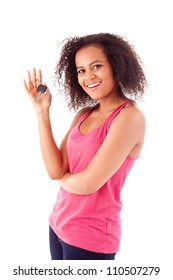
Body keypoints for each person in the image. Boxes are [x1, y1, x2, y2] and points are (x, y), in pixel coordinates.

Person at [23, 32, 147, 260]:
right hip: (58, 226)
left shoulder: (130, 117)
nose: (88, 76)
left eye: (96, 66)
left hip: (91, 239)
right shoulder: (84, 114)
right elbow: (55, 168)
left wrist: (61, 178)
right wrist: (42, 112)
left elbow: (88, 183)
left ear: (117, 67)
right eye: (81, 70)